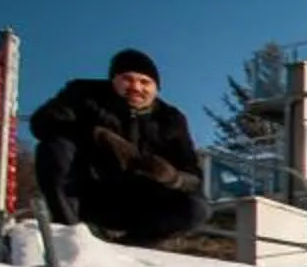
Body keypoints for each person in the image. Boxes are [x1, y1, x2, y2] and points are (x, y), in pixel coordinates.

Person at [28, 49, 208, 247]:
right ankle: (70, 235)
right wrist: (96, 135)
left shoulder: (171, 119)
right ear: (113, 80)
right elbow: (41, 123)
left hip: (141, 201)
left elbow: (194, 176)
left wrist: (173, 177)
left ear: (156, 88)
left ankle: (133, 245)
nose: (136, 87)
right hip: (89, 194)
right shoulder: (83, 95)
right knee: (56, 146)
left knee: (196, 207)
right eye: (128, 79)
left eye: (145, 82)